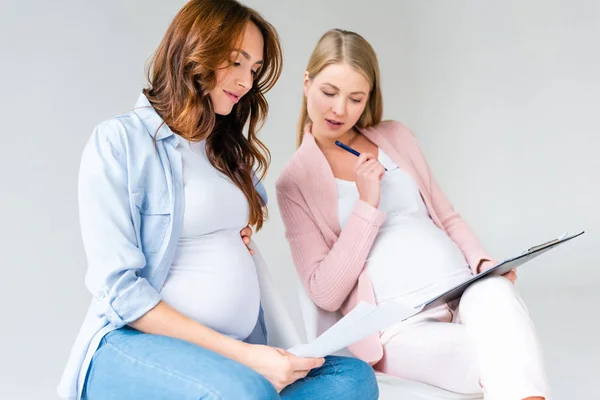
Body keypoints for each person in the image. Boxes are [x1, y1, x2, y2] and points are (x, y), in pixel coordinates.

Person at [57, 4, 378, 399]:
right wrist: (244, 356)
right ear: (195, 49)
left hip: (229, 352)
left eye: (254, 69)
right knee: (244, 391)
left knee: (351, 379)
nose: (246, 81)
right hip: (134, 344)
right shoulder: (120, 141)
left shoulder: (225, 151)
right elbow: (120, 290)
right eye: (236, 62)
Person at [276, 28, 549, 400]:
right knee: (501, 360)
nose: (340, 109)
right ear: (306, 83)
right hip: (399, 325)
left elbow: (446, 215)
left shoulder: (395, 136)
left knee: (497, 292)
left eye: (356, 98)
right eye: (328, 93)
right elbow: (325, 291)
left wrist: (481, 260)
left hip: (462, 287)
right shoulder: (294, 181)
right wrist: (367, 203)